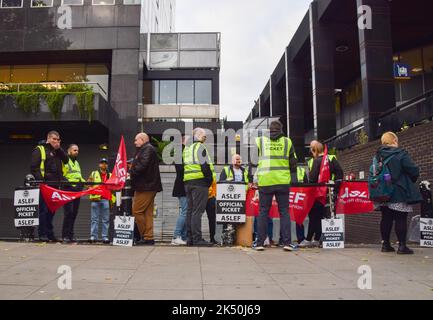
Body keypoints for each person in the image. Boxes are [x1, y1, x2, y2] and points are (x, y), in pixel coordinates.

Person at [253, 120, 298, 252]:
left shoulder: (260, 141)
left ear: (269, 129)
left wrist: (251, 179)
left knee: (263, 212)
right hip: (282, 181)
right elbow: (293, 163)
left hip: (265, 181)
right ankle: (287, 243)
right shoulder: (287, 142)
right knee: (284, 212)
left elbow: (253, 161)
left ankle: (260, 243)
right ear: (281, 129)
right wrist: (294, 181)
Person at [376, 132, 422, 254]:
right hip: (399, 191)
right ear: (394, 141)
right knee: (400, 218)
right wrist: (411, 179)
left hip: (383, 192)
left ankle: (385, 245)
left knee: (386, 218)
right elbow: (413, 170)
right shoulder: (400, 153)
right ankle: (402, 246)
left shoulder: (378, 156)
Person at [299, 142, 343, 248]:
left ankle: (309, 239)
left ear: (314, 150)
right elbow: (340, 173)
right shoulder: (331, 158)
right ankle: (318, 239)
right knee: (326, 216)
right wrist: (334, 187)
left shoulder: (316, 161)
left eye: (311, 150)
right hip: (330, 193)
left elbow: (313, 179)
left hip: (318, 194)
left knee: (314, 216)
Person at [30, 131, 69, 242]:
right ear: (48, 139)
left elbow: (66, 160)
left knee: (52, 211)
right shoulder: (40, 149)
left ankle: (49, 233)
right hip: (45, 186)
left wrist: (59, 148)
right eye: (54, 139)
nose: (56, 141)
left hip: (56, 186)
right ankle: (42, 234)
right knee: (44, 211)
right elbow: (34, 168)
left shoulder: (57, 151)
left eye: (58, 139)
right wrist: (42, 182)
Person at [183, 128, 215, 247]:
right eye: (203, 135)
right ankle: (197, 239)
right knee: (197, 211)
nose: (204, 137)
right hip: (199, 183)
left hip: (188, 182)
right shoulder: (200, 147)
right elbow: (204, 165)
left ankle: (190, 239)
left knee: (190, 211)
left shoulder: (187, 148)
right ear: (196, 135)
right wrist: (209, 180)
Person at [130, 133, 163, 246]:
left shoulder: (147, 149)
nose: (135, 142)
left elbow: (142, 165)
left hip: (145, 186)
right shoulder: (147, 149)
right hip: (149, 185)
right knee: (148, 213)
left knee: (137, 211)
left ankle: (145, 236)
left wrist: (131, 172)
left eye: (136, 140)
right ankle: (149, 237)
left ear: (142, 139)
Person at [220, 154, 250, 246]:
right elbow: (221, 183)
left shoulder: (244, 171)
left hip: (242, 198)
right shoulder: (226, 170)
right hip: (229, 199)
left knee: (239, 218)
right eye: (236, 159)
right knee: (228, 219)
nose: (238, 161)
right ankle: (227, 239)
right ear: (232, 160)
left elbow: (248, 183)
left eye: (239, 159)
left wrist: (244, 191)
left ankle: (238, 238)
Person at [62, 144, 85, 244]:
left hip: (77, 191)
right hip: (68, 190)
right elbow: (62, 176)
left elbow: (79, 176)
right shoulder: (65, 161)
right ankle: (65, 236)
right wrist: (71, 185)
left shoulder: (77, 163)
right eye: (75, 150)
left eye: (77, 150)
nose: (77, 152)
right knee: (69, 213)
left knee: (74, 214)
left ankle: (70, 235)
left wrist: (84, 183)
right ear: (69, 151)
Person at [88, 158, 112, 244]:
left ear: (107, 165)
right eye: (102, 163)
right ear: (99, 164)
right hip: (95, 199)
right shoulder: (94, 173)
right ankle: (93, 237)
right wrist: (93, 190)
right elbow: (88, 185)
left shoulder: (110, 175)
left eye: (105, 163)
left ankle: (105, 237)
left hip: (105, 199)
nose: (104, 164)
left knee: (105, 219)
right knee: (94, 219)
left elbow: (113, 187)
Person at [172, 136, 188, 246]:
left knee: (186, 211)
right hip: (182, 186)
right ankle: (176, 236)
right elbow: (180, 169)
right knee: (185, 211)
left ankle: (183, 237)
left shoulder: (185, 151)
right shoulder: (180, 152)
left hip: (185, 185)